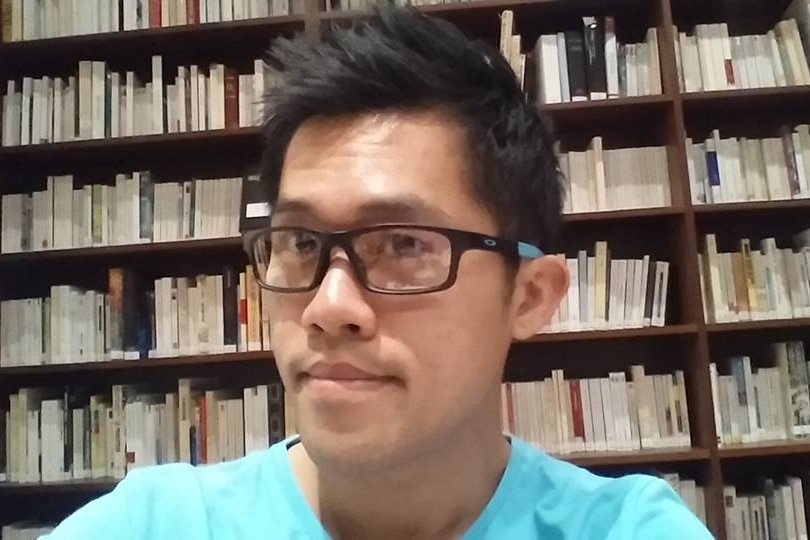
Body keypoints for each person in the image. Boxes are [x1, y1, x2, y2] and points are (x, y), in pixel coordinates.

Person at [43, 3, 714, 539]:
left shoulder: (630, 528)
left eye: (404, 243)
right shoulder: (154, 524)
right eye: (300, 242)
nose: (329, 307)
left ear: (530, 296)